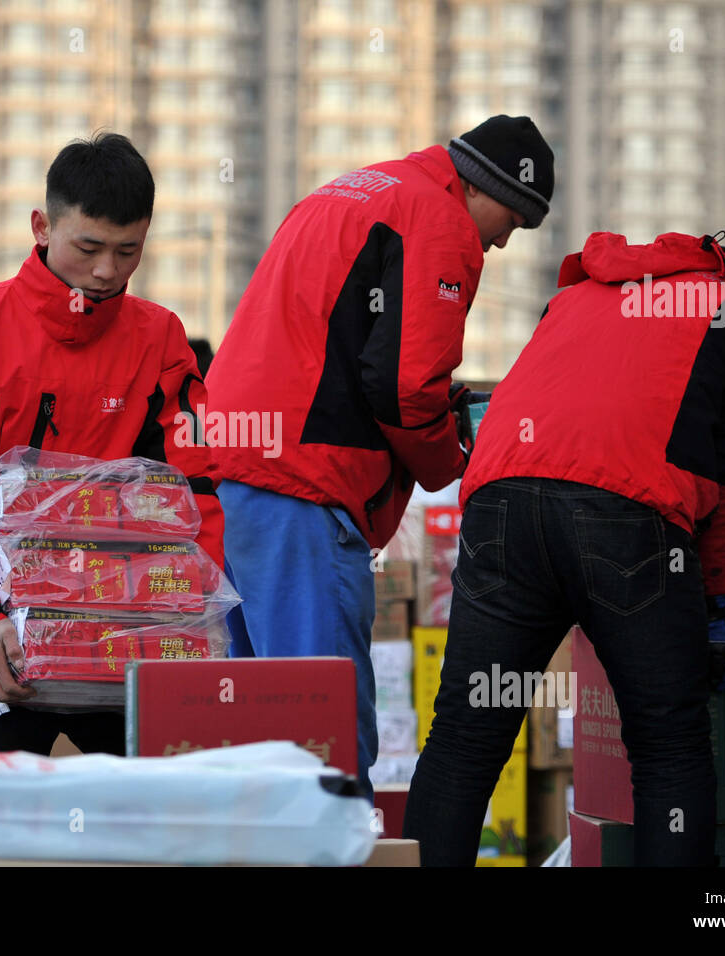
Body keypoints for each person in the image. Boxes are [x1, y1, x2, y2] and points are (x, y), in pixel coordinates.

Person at [402, 231, 725, 866]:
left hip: (499, 503)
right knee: (668, 744)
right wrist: (721, 602)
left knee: (464, 733)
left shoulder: (578, 297)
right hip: (628, 516)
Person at [204, 115, 556, 794]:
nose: (503, 241)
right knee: (320, 729)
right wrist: (452, 463)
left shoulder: (353, 191)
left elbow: (351, 344)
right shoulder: (440, 219)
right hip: (306, 484)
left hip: (236, 472)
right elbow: (402, 385)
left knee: (248, 724)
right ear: (478, 187)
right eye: (509, 219)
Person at [0, 132, 224, 755]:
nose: (107, 271)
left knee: (136, 828)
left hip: (129, 627)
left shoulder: (161, 338)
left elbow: (195, 487)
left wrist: (192, 618)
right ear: (42, 226)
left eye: (129, 251)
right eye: (89, 246)